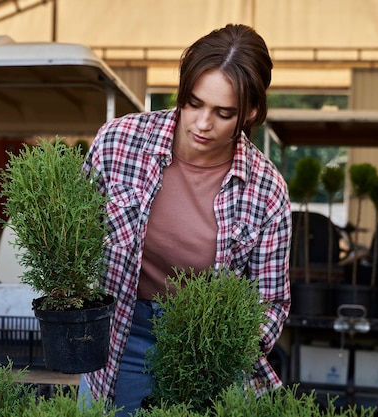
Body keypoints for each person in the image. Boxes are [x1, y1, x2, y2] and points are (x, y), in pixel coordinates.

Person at [80, 23, 291, 415]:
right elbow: (72, 238)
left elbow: (271, 302)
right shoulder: (119, 142)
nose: (202, 123)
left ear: (253, 112)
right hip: (124, 331)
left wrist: (223, 353)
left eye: (224, 113)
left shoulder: (267, 190)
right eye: (193, 103)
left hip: (210, 348)